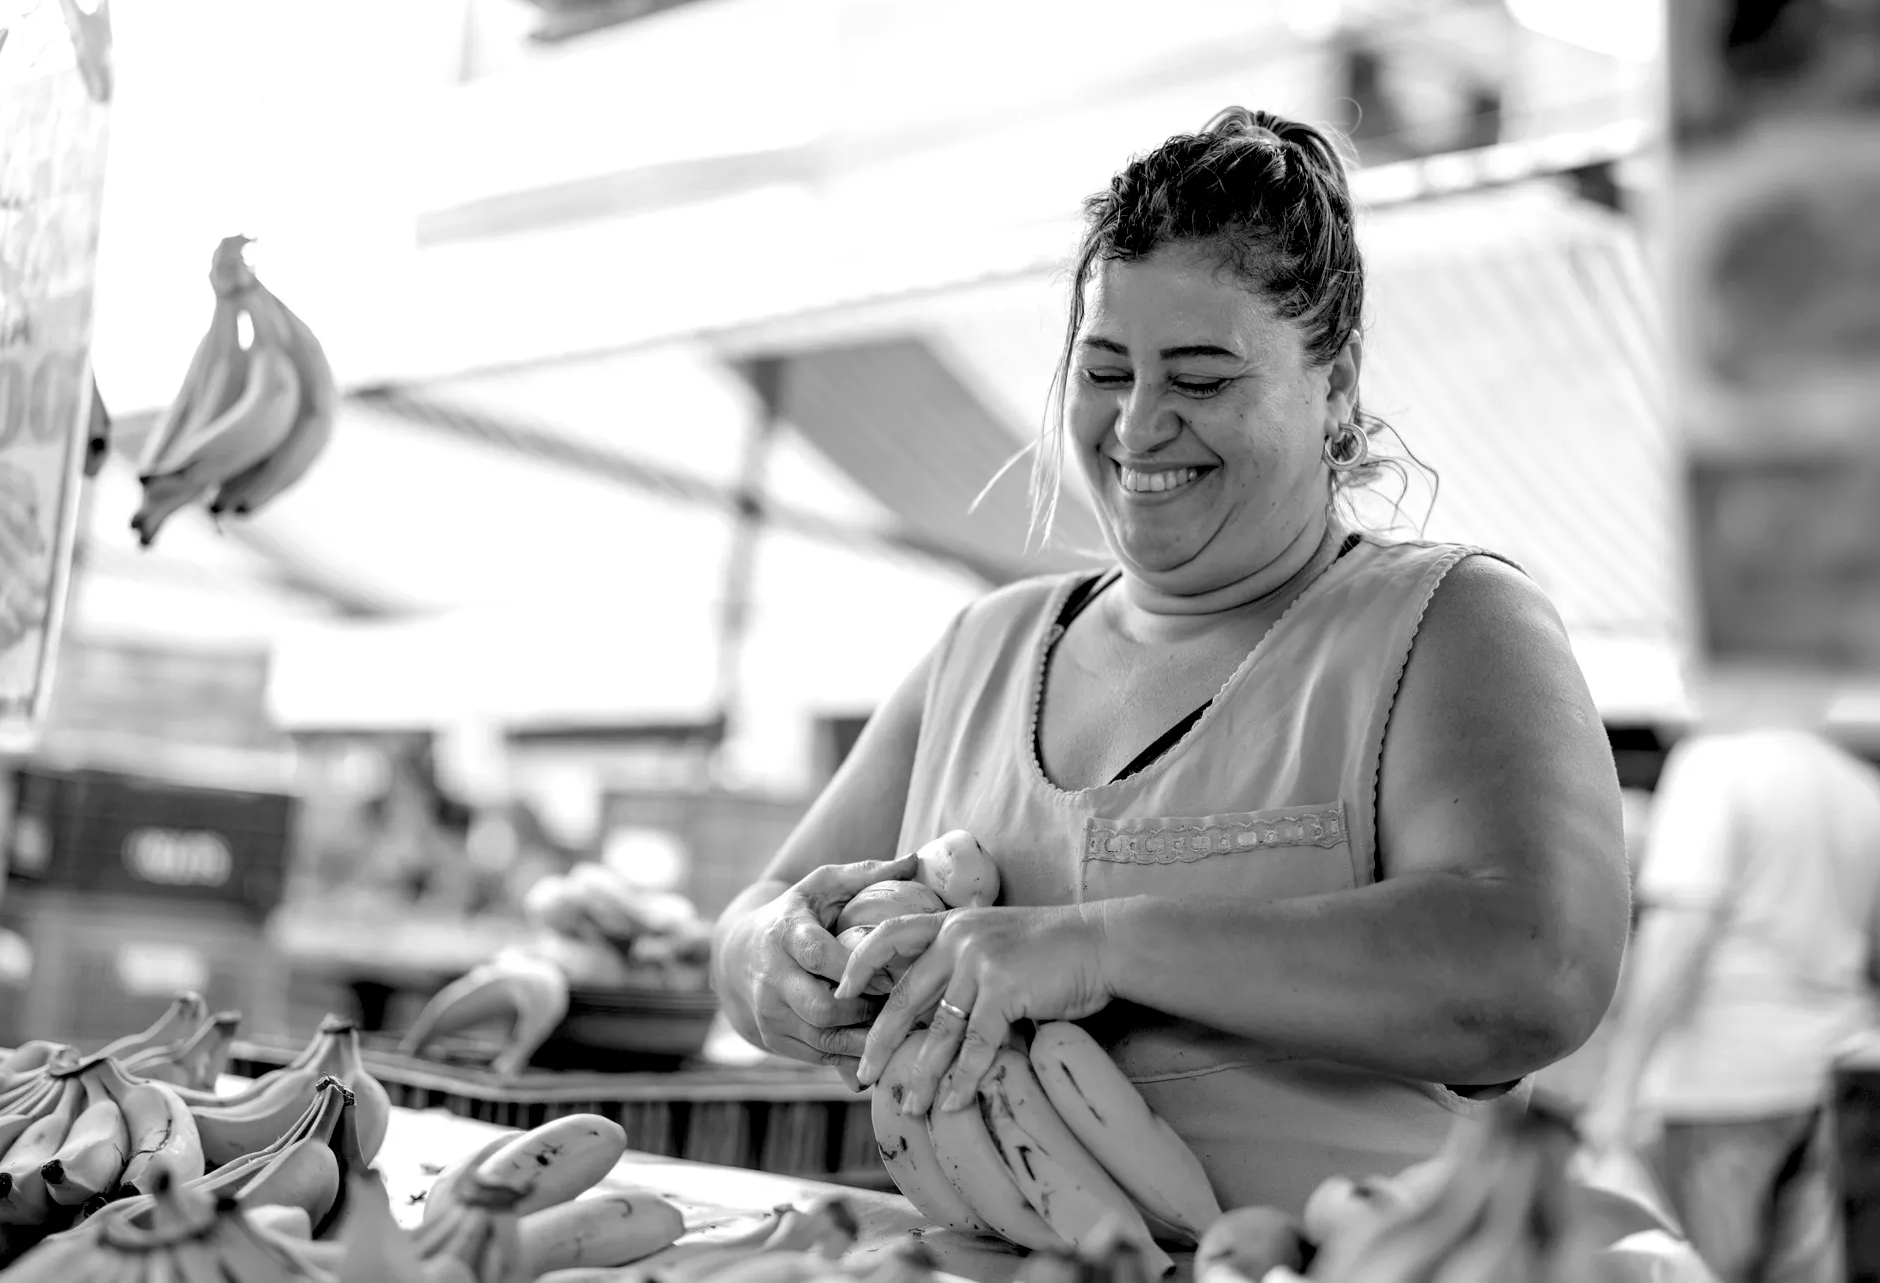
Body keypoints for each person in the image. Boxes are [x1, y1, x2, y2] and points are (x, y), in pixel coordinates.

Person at [710, 106, 1631, 1215]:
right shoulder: (985, 648)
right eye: (1105, 371)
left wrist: (1103, 946)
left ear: (1334, 386)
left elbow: (1538, 969)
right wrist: (772, 962)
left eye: (1199, 379)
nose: (1140, 424)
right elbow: (755, 915)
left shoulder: (1450, 624)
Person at [1585, 728, 1880, 1283]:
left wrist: (1619, 1089)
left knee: (1704, 1270)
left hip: (1720, 1085)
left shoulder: (1712, 764)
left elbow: (1684, 929)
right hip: (1836, 1077)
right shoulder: (1861, 786)